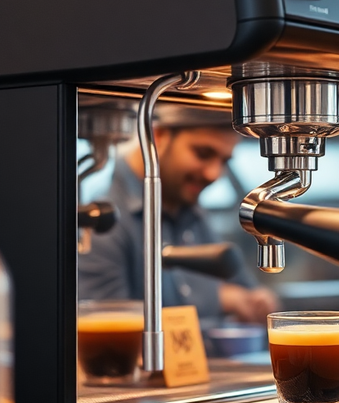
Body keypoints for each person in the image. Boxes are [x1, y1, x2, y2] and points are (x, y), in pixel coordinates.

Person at [79, 105, 279, 324]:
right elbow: (109, 334)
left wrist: (258, 301)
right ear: (158, 136)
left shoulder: (192, 211)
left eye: (224, 161)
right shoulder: (102, 222)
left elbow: (245, 291)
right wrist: (218, 298)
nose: (214, 174)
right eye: (203, 153)